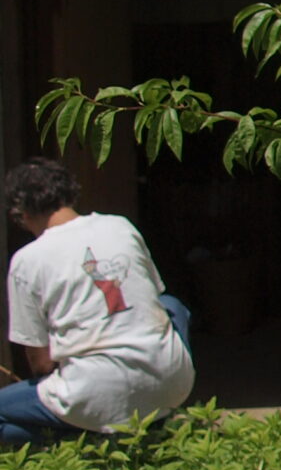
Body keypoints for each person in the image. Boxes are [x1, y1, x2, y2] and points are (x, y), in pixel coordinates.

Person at [1, 157, 195, 446]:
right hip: (171, 384)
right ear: (69, 193)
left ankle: (84, 438)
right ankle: (145, 422)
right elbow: (154, 298)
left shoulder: (27, 260)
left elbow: (40, 362)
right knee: (172, 304)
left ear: (22, 213)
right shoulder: (121, 226)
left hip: (92, 387)